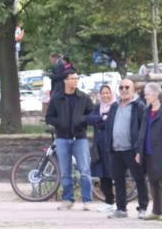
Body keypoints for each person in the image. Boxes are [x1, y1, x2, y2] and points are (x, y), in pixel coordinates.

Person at [45, 71, 95, 210]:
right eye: (73, 78)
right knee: (65, 171)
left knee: (84, 170)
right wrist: (60, 122)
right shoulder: (57, 98)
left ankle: (87, 200)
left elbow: (92, 115)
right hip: (62, 138)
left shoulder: (84, 98)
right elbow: (49, 117)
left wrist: (82, 120)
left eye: (77, 78)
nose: (75, 81)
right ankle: (68, 199)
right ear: (65, 81)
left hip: (80, 138)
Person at [103, 78, 149, 219]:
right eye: (121, 87)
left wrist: (139, 149)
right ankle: (121, 208)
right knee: (118, 180)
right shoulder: (115, 106)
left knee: (139, 179)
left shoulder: (139, 106)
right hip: (116, 150)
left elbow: (143, 129)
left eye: (127, 87)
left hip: (131, 150)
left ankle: (143, 207)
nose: (123, 90)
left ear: (133, 89)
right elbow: (109, 126)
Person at [135, 82, 162, 221]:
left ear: (156, 95)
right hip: (148, 152)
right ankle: (157, 210)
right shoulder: (147, 111)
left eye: (147, 94)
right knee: (153, 181)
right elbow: (142, 133)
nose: (145, 96)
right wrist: (138, 151)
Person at [88, 84, 116, 213]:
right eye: (103, 93)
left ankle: (118, 202)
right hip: (99, 147)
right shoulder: (98, 108)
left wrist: (104, 121)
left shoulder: (116, 107)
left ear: (112, 93)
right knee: (103, 175)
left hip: (113, 147)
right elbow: (89, 119)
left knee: (113, 174)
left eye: (107, 93)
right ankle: (109, 202)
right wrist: (101, 118)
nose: (105, 95)